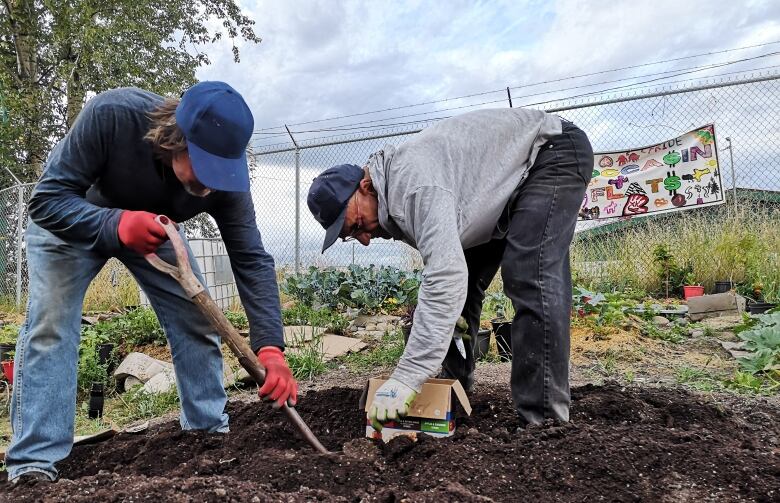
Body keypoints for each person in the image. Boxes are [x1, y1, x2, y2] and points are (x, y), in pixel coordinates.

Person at [6, 81, 297, 484]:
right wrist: (116, 223)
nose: (210, 185)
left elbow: (251, 258)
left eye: (220, 172)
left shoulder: (226, 181)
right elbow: (45, 200)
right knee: (51, 324)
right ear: (177, 136)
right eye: (203, 167)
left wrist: (271, 347)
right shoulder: (113, 115)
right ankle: (34, 464)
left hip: (153, 230)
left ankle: (207, 434)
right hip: (72, 216)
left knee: (196, 319)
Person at [307, 107, 592, 430]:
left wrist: (407, 376)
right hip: (502, 191)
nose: (365, 240)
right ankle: (450, 397)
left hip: (549, 153)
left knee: (530, 275)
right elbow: (449, 276)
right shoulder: (393, 200)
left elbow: (445, 274)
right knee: (462, 289)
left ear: (364, 187)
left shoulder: (413, 187)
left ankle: (546, 425)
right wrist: (445, 311)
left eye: (356, 225)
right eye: (351, 237)